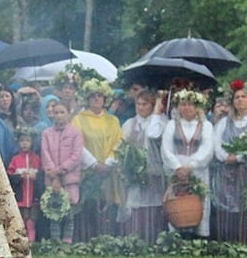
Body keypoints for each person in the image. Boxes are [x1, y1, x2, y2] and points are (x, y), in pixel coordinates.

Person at [211, 80, 247, 243]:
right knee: (224, 208)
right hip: (225, 172)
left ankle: (245, 242)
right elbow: (216, 144)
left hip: (246, 173)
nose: (240, 100)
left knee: (245, 206)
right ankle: (225, 242)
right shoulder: (223, 123)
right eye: (236, 97)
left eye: (243, 97)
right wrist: (225, 157)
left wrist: (238, 158)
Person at [161, 89, 216, 238]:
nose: (187, 108)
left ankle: (199, 237)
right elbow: (166, 148)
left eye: (191, 104)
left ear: (198, 107)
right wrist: (177, 166)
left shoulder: (206, 125)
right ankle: (176, 236)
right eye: (183, 104)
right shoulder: (172, 124)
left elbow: (208, 148)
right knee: (177, 202)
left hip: (197, 170)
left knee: (199, 201)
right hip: (176, 169)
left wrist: (192, 165)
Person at [71, 79, 122, 240]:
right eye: (93, 96)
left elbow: (118, 142)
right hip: (89, 172)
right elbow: (77, 143)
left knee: (108, 204)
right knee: (89, 204)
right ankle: (88, 240)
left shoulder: (113, 120)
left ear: (105, 99)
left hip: (109, 171)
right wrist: (93, 164)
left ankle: (107, 239)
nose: (96, 99)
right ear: (87, 98)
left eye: (100, 96)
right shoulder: (78, 119)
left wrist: (108, 162)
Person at [118, 89, 167, 243]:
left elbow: (157, 137)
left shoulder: (161, 121)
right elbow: (121, 145)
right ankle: (134, 240)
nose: (140, 107)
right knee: (134, 203)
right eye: (138, 104)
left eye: (144, 104)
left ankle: (153, 240)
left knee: (154, 203)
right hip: (134, 172)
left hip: (155, 171)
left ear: (152, 105)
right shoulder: (129, 123)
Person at [40, 99, 83, 243]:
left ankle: (67, 242)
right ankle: (55, 242)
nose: (59, 115)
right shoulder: (46, 133)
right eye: (56, 112)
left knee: (69, 213)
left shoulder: (75, 133)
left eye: (62, 112)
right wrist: (53, 174)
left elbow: (76, 156)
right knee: (54, 211)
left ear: (68, 113)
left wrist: (60, 170)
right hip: (52, 180)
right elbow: (45, 154)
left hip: (69, 179)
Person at [7, 129, 41, 241]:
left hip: (33, 198)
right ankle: (21, 242)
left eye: (27, 140)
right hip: (20, 197)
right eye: (22, 141)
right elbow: (10, 176)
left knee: (31, 221)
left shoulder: (36, 159)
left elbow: (42, 175)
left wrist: (35, 177)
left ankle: (31, 243)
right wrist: (20, 176)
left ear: (32, 142)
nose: (25, 143)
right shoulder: (15, 160)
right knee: (22, 220)